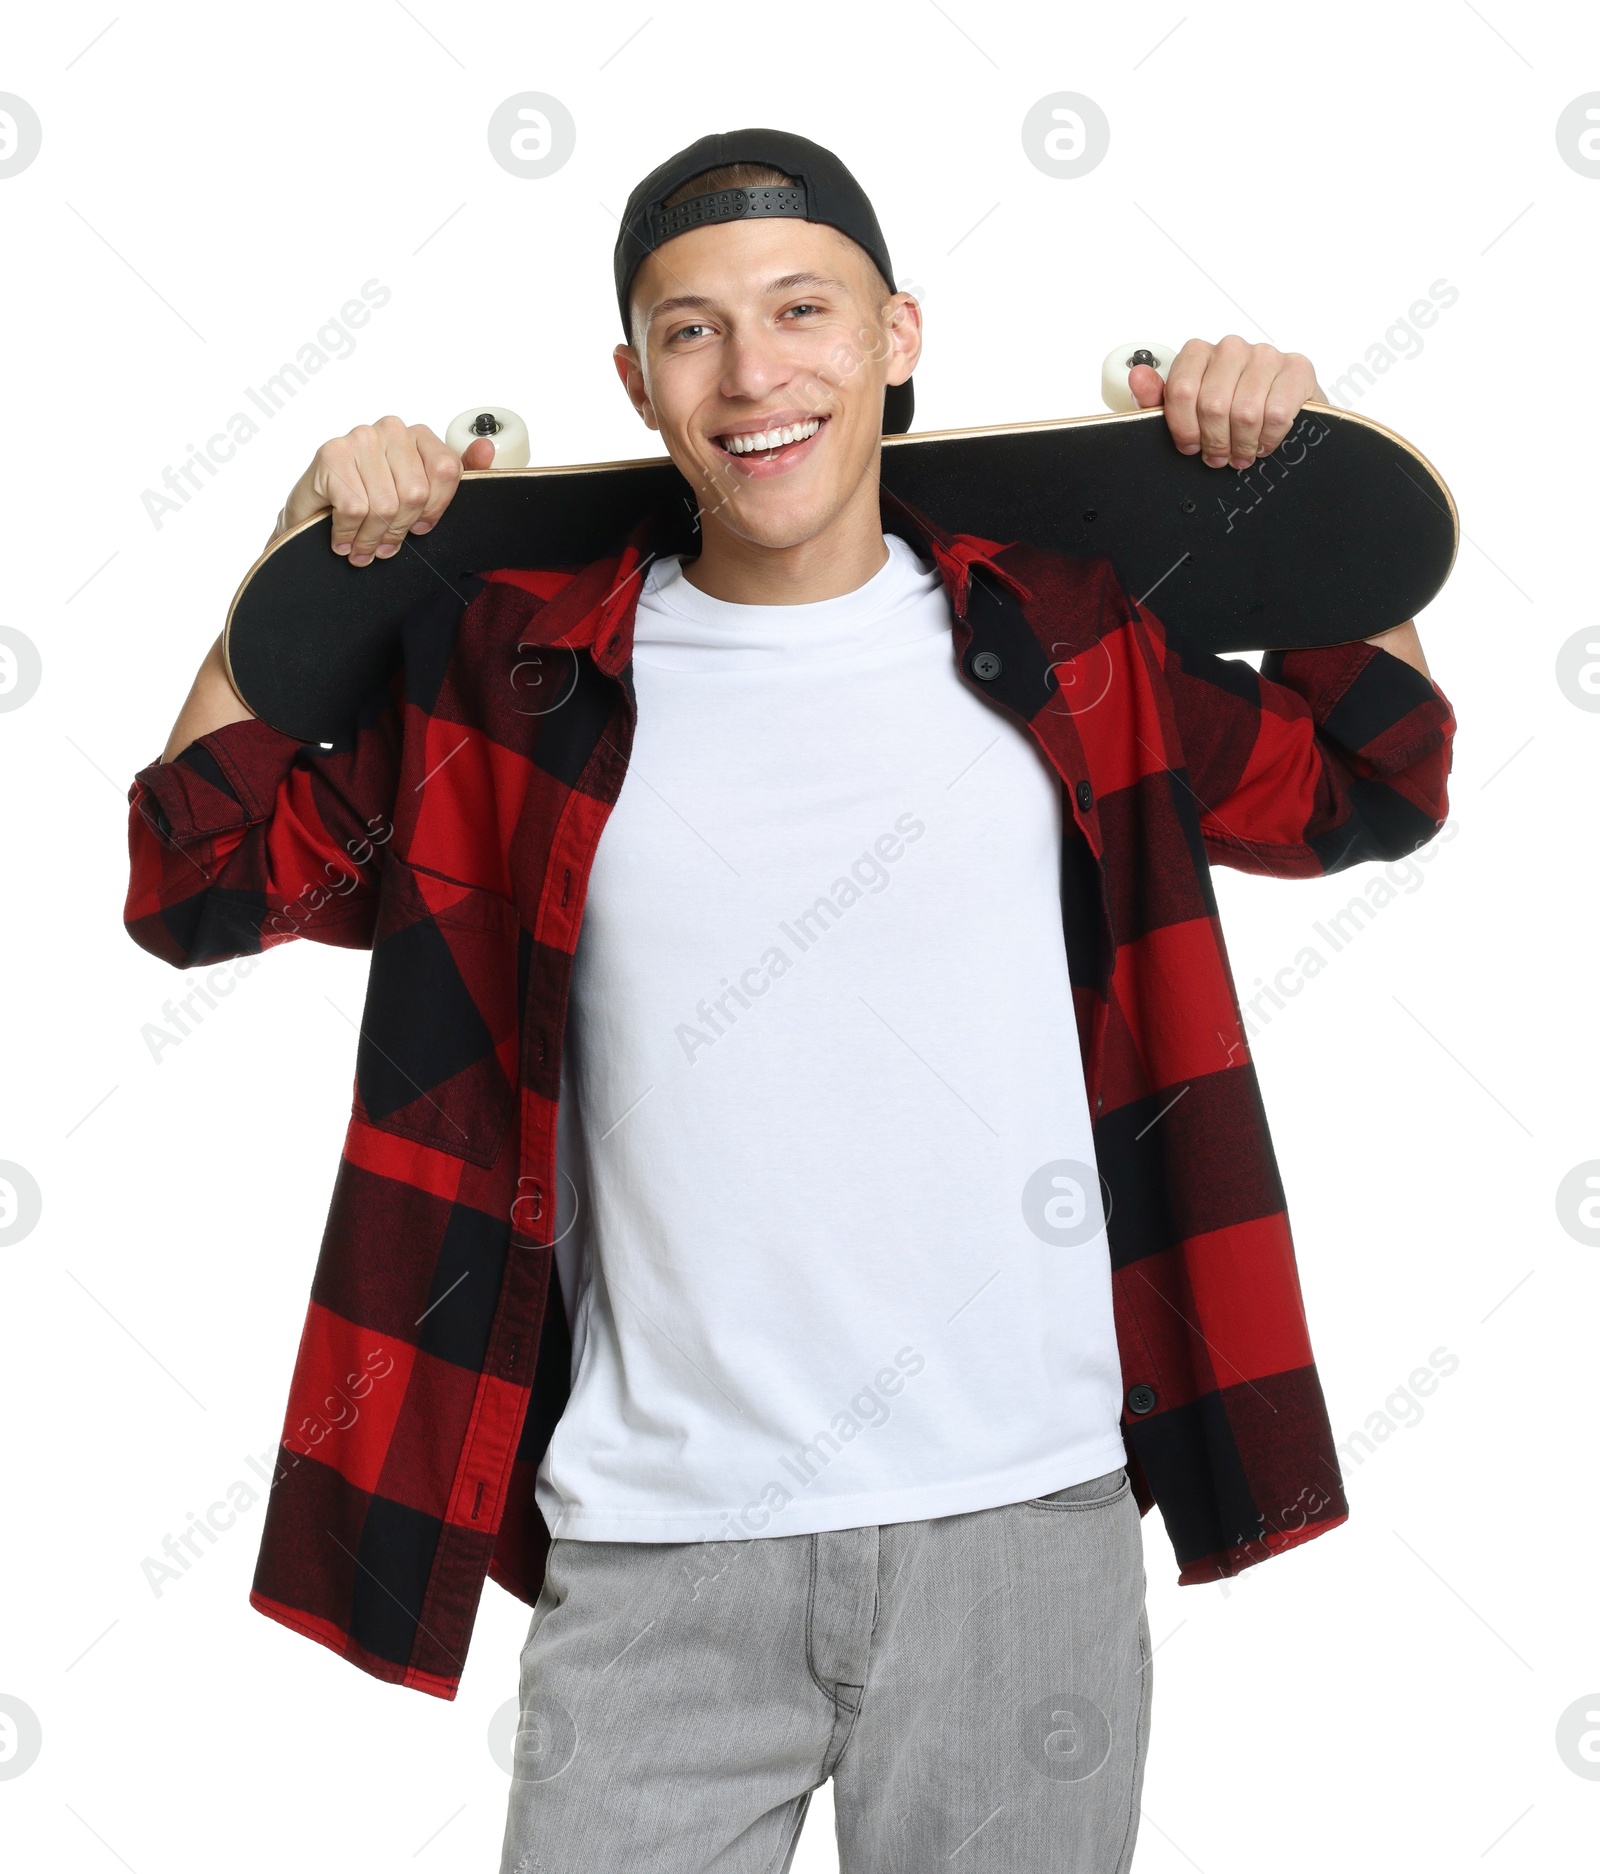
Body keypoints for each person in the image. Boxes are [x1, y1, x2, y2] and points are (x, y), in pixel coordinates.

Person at [124, 129, 1455, 1873]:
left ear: (897, 336)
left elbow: (1380, 769)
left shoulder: (1072, 640)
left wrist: (1287, 491)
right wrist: (290, 566)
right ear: (634, 379)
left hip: (1022, 1539)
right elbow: (195, 872)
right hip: (656, 1552)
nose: (754, 375)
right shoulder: (522, 689)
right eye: (691, 331)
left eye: (801, 309)